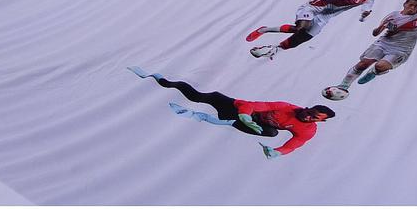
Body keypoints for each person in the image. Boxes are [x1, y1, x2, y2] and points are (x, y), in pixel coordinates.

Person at [128, 66, 333, 159]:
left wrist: (278, 152)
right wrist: (244, 112)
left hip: (251, 124)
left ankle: (203, 117)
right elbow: (257, 105)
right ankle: (160, 80)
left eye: (313, 117)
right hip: (240, 110)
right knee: (201, 96)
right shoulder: (287, 106)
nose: (307, 116)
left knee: (273, 133)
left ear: (318, 122)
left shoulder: (308, 131)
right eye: (310, 111)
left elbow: (294, 143)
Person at [247, 0, 383, 60]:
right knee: (300, 28)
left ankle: (275, 48)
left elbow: (365, 11)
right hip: (313, 8)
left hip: (324, 18)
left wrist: (363, 16)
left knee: (301, 39)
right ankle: (263, 30)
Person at [328, 0, 417, 95]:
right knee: (362, 64)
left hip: (401, 49)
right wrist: (383, 28)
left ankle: (374, 72)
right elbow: (375, 33)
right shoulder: (393, 15)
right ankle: (343, 86)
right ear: (405, 4)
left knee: (379, 66)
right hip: (383, 43)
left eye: (416, 6)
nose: (412, 8)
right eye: (410, 4)